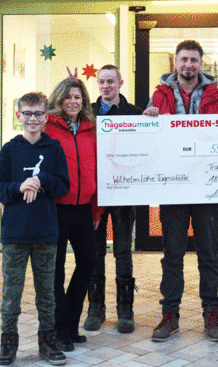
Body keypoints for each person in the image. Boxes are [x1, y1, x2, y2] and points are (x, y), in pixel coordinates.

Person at [142, 39, 218, 342]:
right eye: (183, 59)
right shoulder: (159, 93)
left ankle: (211, 313)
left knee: (209, 254)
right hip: (173, 186)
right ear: (175, 63)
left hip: (206, 187)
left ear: (200, 64)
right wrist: (148, 121)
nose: (188, 65)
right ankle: (170, 315)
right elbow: (152, 141)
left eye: (194, 60)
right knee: (172, 254)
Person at [0, 92, 69, 366]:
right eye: (27, 114)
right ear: (18, 116)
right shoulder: (10, 150)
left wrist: (40, 180)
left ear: (46, 117)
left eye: (38, 114)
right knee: (11, 295)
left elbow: (63, 185)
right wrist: (18, 186)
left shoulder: (54, 149)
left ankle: (48, 343)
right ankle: (8, 345)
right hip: (14, 235)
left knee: (46, 295)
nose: (33, 119)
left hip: (46, 234)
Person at [84, 65, 143, 334]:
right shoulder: (88, 114)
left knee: (122, 251)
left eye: (111, 81)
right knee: (94, 251)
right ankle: (96, 308)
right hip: (94, 193)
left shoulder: (133, 113)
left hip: (123, 192)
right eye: (101, 82)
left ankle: (125, 310)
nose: (106, 86)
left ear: (120, 83)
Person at [46, 77, 103, 352]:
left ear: (84, 102)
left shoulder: (92, 130)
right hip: (56, 209)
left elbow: (97, 170)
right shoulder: (48, 128)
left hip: (83, 209)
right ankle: (60, 329)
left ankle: (70, 323)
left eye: (78, 97)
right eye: (68, 96)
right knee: (55, 272)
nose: (73, 102)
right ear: (59, 99)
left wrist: (96, 209)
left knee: (87, 264)